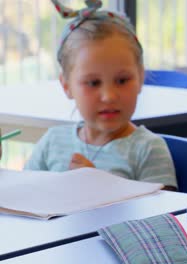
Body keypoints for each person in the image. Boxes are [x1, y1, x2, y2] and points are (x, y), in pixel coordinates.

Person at [24, 0, 177, 190]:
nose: (109, 96)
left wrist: (101, 187)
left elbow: (161, 216)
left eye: (122, 81)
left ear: (140, 78)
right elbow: (26, 197)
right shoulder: (52, 142)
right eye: (93, 83)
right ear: (66, 86)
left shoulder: (149, 149)